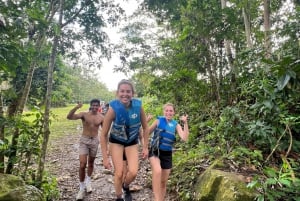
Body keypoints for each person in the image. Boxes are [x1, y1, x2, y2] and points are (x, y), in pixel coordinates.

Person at [100, 79, 150, 201]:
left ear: (132, 93)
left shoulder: (138, 106)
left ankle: (126, 186)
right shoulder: (113, 108)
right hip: (116, 141)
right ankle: (119, 197)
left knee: (133, 172)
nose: (125, 94)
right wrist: (105, 158)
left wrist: (145, 147)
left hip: (132, 141)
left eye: (128, 91)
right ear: (118, 93)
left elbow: (146, 127)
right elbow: (103, 134)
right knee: (119, 173)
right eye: (122, 91)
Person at [148, 103, 189, 201]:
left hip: (167, 154)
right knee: (157, 171)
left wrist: (185, 123)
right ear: (163, 111)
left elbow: (184, 138)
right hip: (155, 151)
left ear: (174, 112)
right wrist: (146, 121)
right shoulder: (158, 121)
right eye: (167, 110)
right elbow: (146, 132)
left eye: (171, 111)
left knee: (163, 182)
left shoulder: (176, 124)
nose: (168, 112)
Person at [67, 99, 104, 201]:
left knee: (91, 163)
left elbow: (105, 131)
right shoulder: (84, 114)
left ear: (99, 106)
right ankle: (81, 188)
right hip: (84, 140)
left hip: (95, 141)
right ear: (91, 105)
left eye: (97, 105)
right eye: (93, 105)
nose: (95, 107)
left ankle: (88, 182)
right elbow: (69, 117)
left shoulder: (101, 117)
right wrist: (76, 107)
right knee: (82, 164)